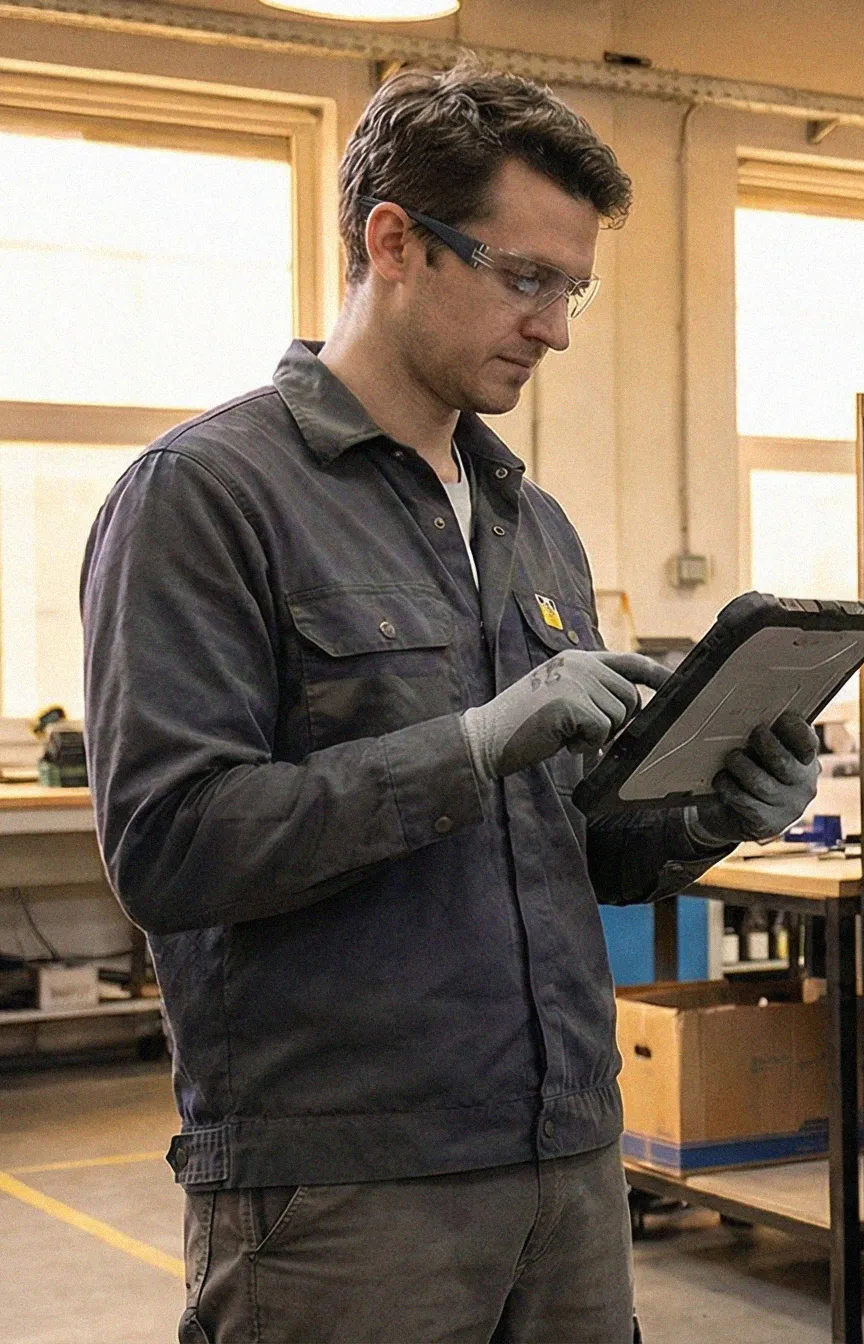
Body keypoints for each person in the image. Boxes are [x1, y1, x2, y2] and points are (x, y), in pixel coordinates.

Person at [80, 64, 818, 1343]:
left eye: (573, 289)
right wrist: (471, 744)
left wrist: (713, 810)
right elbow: (170, 847)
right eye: (527, 278)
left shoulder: (536, 529)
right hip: (346, 1190)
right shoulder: (206, 497)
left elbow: (575, 848)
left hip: (572, 1158)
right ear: (394, 242)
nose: (558, 329)